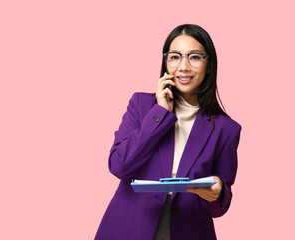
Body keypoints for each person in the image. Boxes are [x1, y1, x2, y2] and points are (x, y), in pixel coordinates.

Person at [95, 24, 241, 240]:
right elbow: (119, 165)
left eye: (194, 57)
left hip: (188, 231)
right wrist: (160, 113)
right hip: (130, 226)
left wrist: (218, 194)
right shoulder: (141, 105)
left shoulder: (226, 129)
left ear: (209, 64)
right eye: (175, 57)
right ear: (165, 63)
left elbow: (219, 207)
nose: (183, 67)